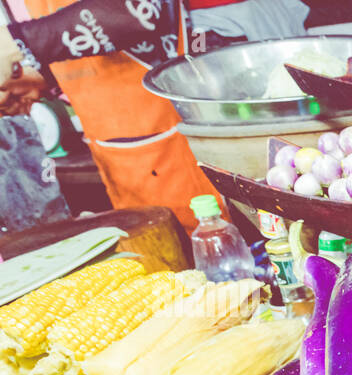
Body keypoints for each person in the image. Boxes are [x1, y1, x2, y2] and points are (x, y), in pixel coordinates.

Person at [0, 1, 308, 230]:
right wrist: (31, 76)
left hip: (182, 136)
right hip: (117, 149)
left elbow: (143, 10)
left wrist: (20, 43)